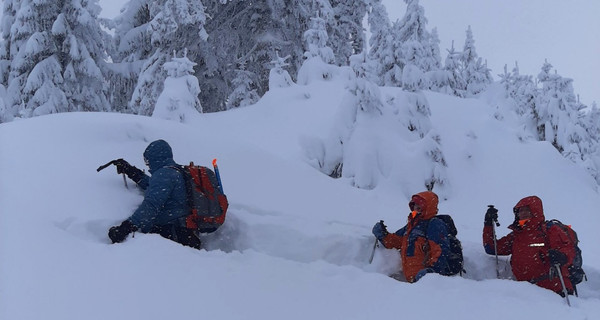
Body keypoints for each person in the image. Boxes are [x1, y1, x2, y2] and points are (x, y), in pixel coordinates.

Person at [107, 139, 202, 249]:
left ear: (155, 158)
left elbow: (151, 205)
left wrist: (125, 228)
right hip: (186, 232)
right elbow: (153, 187)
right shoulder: (175, 171)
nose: (148, 164)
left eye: (148, 160)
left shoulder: (164, 174)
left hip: (172, 234)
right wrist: (131, 171)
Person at [483, 195, 575, 295]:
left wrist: (562, 256)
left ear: (536, 211)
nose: (523, 213)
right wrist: (488, 224)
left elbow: (568, 249)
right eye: (520, 211)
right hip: (527, 293)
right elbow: (492, 248)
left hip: (555, 290)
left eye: (527, 209)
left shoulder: (549, 230)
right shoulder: (516, 235)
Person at [372, 191, 451, 283]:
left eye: (420, 205)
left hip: (427, 283)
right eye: (415, 204)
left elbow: (441, 252)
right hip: (412, 282)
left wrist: (431, 273)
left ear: (428, 207)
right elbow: (396, 241)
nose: (416, 207)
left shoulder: (435, 224)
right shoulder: (412, 225)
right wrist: (383, 235)